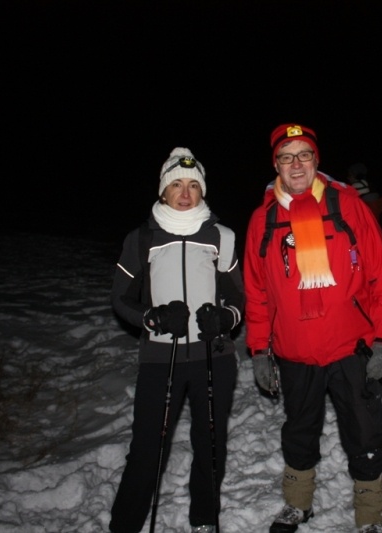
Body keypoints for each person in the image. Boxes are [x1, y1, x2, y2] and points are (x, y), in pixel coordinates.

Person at [243, 124, 382, 533]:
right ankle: (297, 503)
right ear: (276, 166)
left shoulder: (348, 206)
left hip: (351, 347)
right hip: (294, 349)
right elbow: (257, 293)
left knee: (364, 432)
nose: (296, 164)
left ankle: (370, 513)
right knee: (299, 430)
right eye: (287, 157)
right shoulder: (263, 220)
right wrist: (260, 349)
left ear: (316, 160)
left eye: (304, 155)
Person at [109, 147, 244, 533]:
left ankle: (204, 519)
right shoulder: (141, 238)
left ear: (202, 191)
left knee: (211, 444)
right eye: (176, 185)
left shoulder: (222, 236)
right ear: (163, 190)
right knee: (147, 448)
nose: (185, 193)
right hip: (159, 358)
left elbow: (239, 298)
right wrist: (151, 317)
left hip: (213, 356)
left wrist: (226, 318)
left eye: (193, 186)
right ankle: (125, 525)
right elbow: (121, 298)